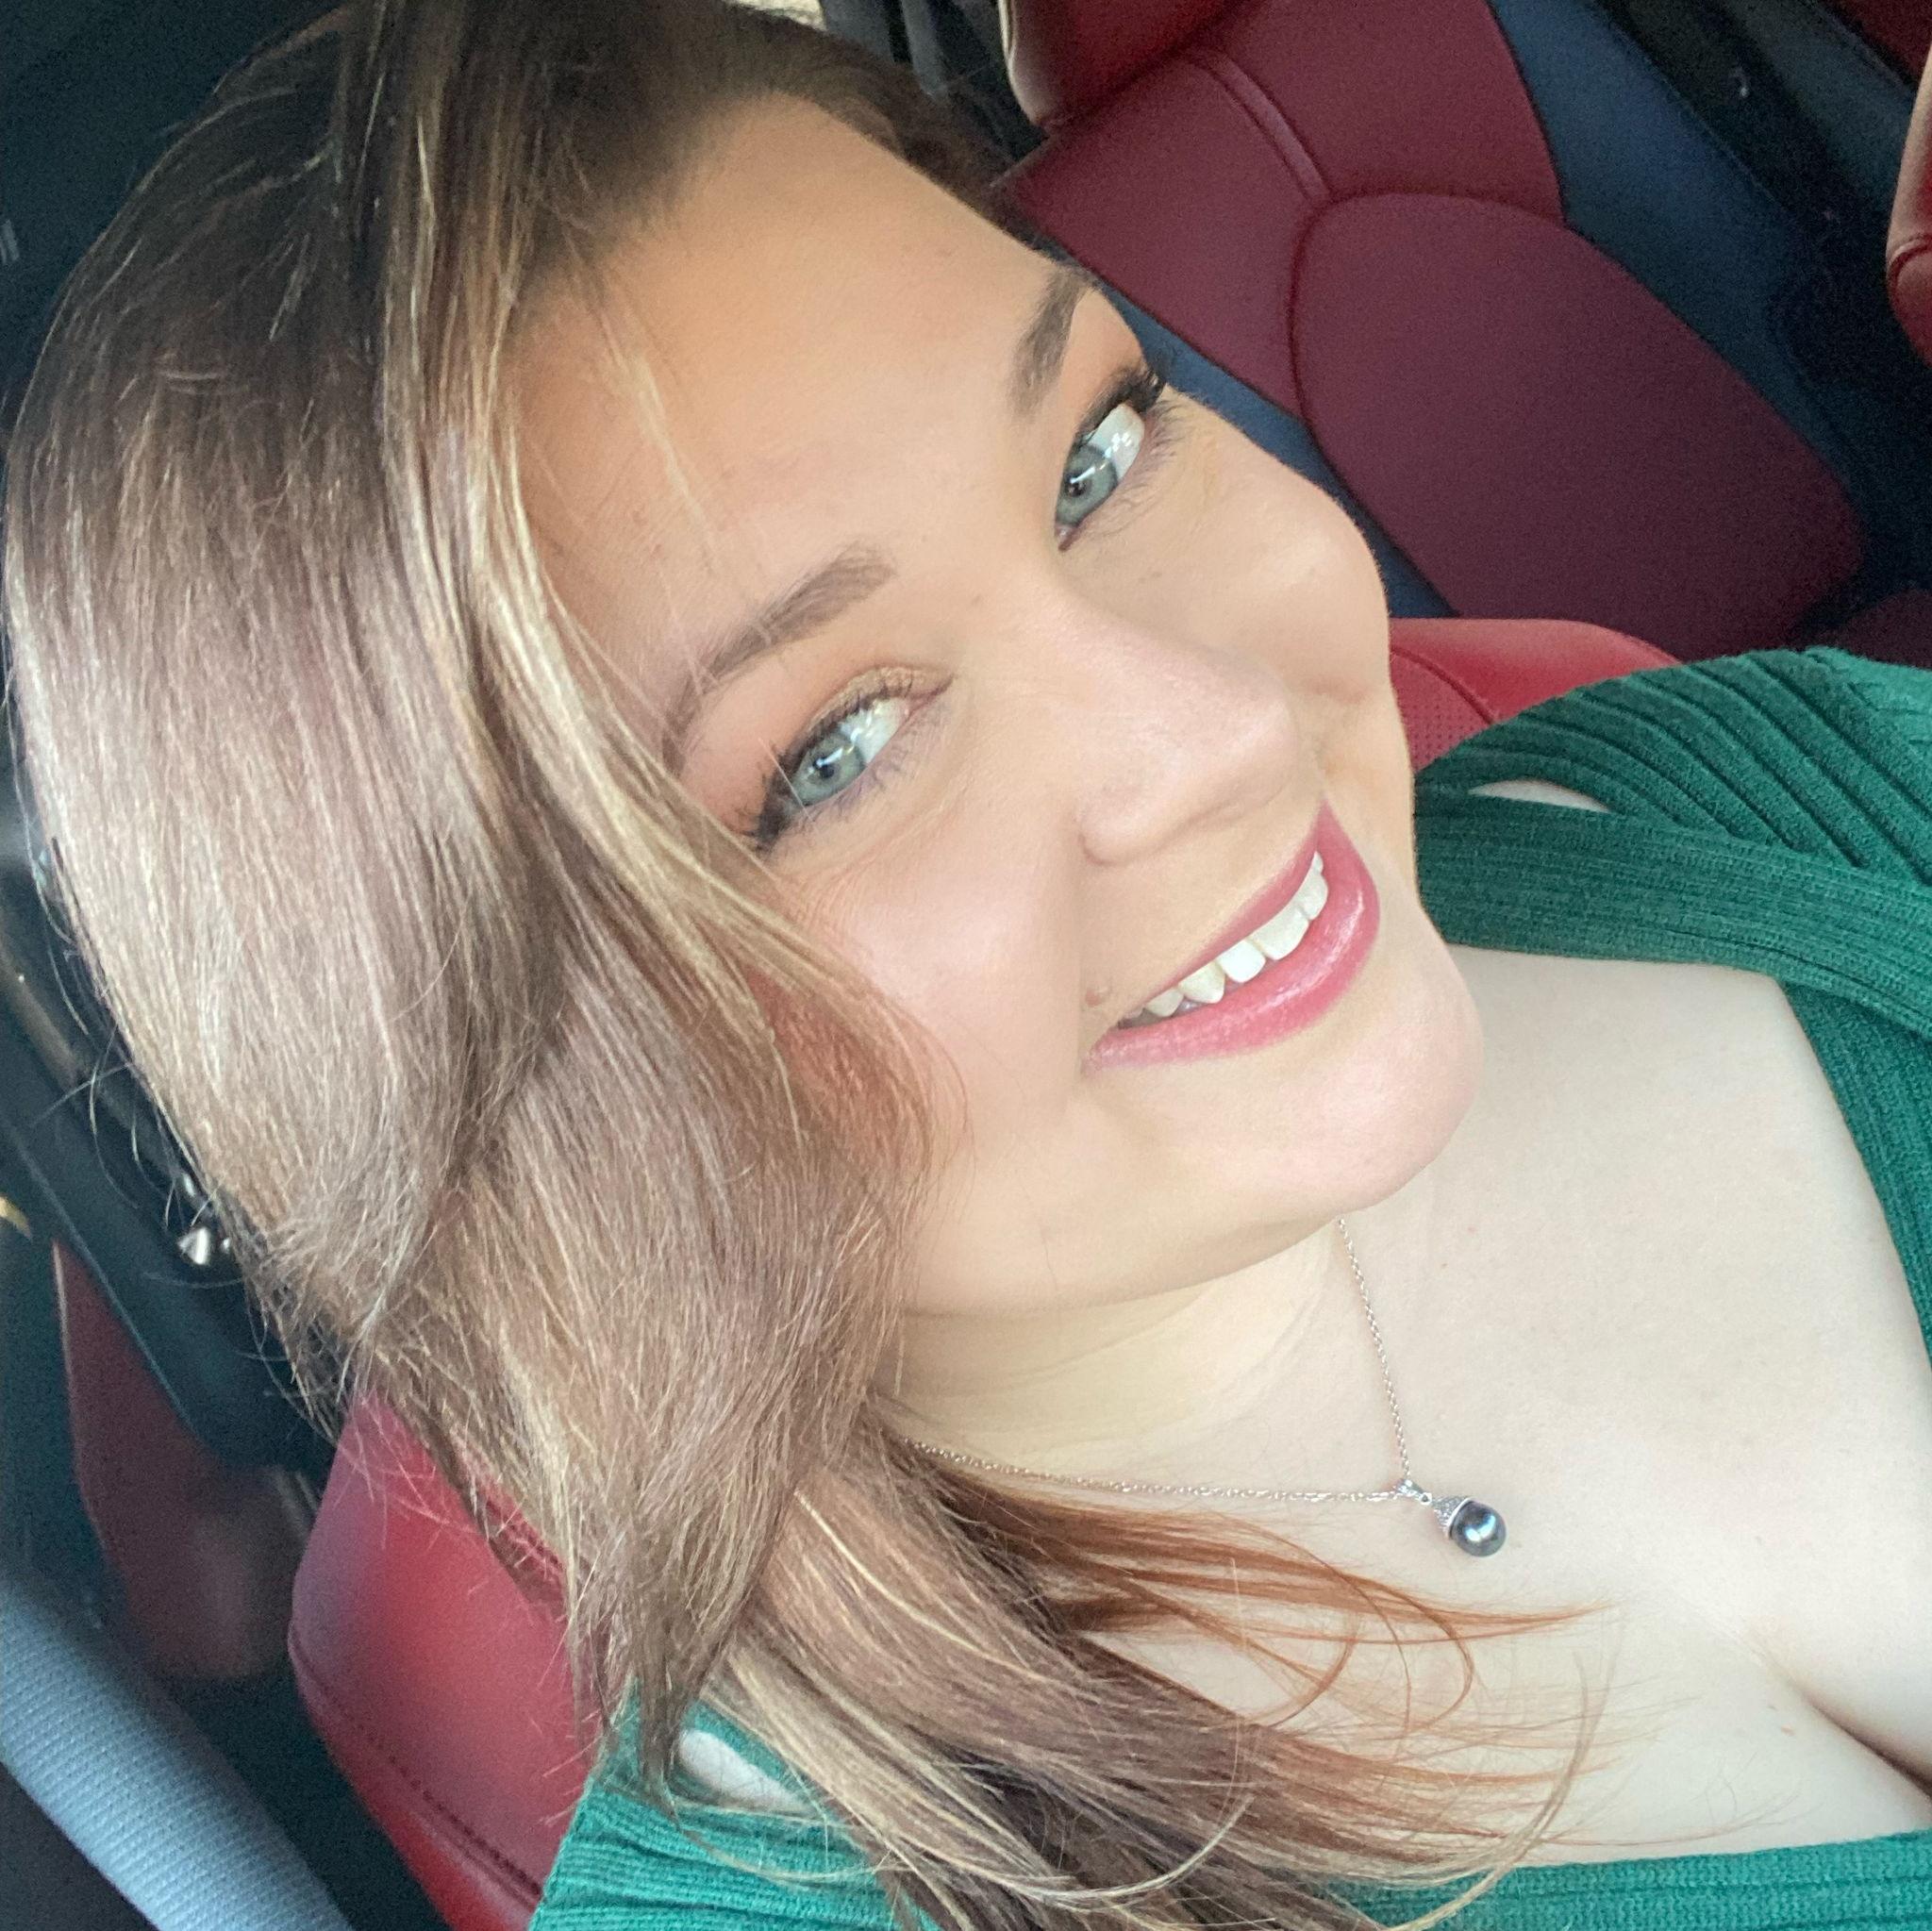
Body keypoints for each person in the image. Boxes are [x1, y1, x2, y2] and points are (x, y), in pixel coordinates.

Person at [6, 3, 1930, 1927]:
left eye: (1096, 457)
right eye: (833, 755)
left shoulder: (1756, 785)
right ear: (511, 1122)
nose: (1223, 732)